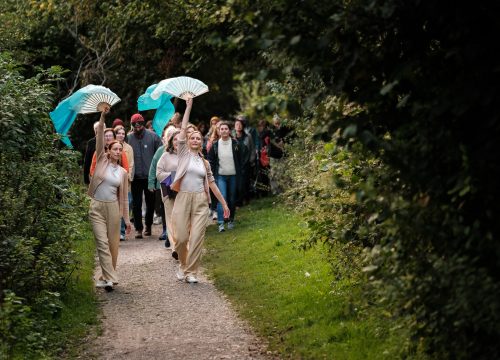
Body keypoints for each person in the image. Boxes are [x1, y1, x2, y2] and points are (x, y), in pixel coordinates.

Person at [171, 98, 229, 283]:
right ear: (187, 141)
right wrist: (188, 106)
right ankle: (183, 264)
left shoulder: (204, 163)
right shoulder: (183, 154)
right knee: (180, 238)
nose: (195, 139)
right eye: (192, 137)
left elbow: (212, 184)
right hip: (183, 198)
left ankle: (192, 272)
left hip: (201, 201)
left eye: (198, 138)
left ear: (201, 143)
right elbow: (183, 128)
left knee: (196, 238)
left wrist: (224, 204)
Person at [88, 103, 131, 291]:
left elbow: (123, 199)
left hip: (113, 208)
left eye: (120, 150)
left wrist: (127, 220)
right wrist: (103, 117)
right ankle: (112, 277)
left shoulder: (122, 172)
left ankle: (104, 276)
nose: (118, 152)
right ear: (108, 151)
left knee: (113, 245)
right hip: (97, 207)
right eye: (115, 149)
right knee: (102, 243)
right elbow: (99, 139)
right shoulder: (101, 162)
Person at [127, 113, 162, 238]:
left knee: (150, 203)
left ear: (143, 123)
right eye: (134, 124)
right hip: (135, 177)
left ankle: (148, 225)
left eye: (140, 124)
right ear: (131, 125)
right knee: (136, 204)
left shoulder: (153, 137)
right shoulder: (128, 138)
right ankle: (138, 229)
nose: (137, 126)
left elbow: (160, 155)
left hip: (150, 177)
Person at [207, 121, 242, 232]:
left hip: (233, 176)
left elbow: (241, 159)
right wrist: (212, 173)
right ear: (219, 131)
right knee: (222, 198)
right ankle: (221, 223)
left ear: (229, 130)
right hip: (220, 176)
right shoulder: (216, 145)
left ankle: (231, 220)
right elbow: (211, 160)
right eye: (222, 129)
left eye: (226, 128)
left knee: (232, 199)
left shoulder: (236, 144)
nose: (224, 131)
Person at [156, 129, 180, 256]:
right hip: (168, 191)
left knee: (181, 219)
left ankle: (183, 244)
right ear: (171, 141)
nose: (177, 141)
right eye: (175, 139)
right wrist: (173, 176)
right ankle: (175, 247)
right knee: (171, 219)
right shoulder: (165, 155)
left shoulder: (187, 155)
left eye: (179, 139)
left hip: (183, 191)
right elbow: (158, 173)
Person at [114, 125, 134, 241]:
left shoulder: (128, 148)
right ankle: (117, 230)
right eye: (119, 133)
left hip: (126, 181)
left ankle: (122, 229)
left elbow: (131, 164)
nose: (121, 135)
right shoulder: (111, 146)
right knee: (115, 205)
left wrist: (128, 176)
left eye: (123, 133)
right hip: (113, 181)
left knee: (126, 203)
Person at [233, 117, 255, 206]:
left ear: (243, 126)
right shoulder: (232, 137)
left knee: (245, 182)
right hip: (235, 163)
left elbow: (252, 149)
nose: (238, 126)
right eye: (236, 125)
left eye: (240, 124)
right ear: (234, 127)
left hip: (246, 162)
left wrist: (251, 160)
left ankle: (246, 199)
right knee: (238, 183)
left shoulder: (248, 136)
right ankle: (239, 201)